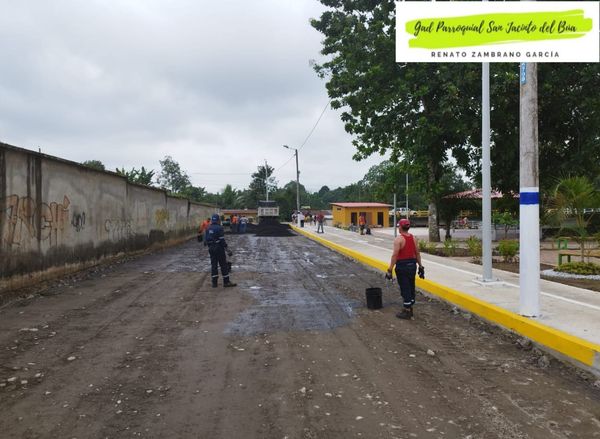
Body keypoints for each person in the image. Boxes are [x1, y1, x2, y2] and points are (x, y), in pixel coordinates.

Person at [386, 218, 423, 320]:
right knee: (411, 286)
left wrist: (390, 269)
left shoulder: (399, 239)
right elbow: (417, 253)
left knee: (405, 287)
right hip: (412, 265)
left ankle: (407, 311)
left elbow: (395, 255)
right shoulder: (413, 238)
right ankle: (410, 306)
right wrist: (420, 266)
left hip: (402, 266)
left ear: (400, 228)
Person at [204, 214, 236, 288]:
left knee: (214, 265)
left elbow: (205, 241)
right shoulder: (219, 228)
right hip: (219, 248)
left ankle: (214, 283)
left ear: (212, 220)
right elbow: (222, 240)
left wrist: (210, 246)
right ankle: (226, 282)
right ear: (218, 220)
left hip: (211, 248)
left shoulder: (208, 227)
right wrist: (227, 249)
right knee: (223, 265)